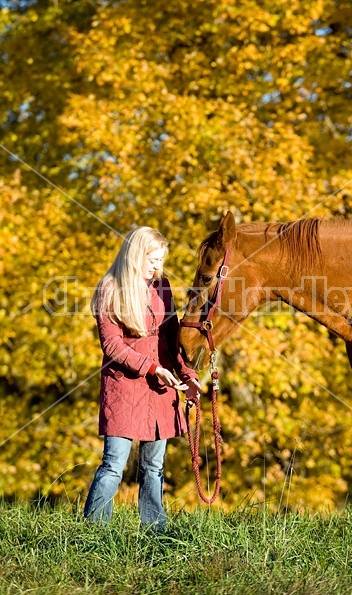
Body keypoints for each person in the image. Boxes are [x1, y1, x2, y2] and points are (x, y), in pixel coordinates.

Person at [84, 226, 201, 532]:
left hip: (160, 390)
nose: (156, 266)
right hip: (125, 388)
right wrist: (151, 368)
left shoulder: (162, 286)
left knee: (154, 466)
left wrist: (187, 374)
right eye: (152, 259)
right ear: (136, 255)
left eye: (160, 260)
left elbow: (172, 335)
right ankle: (93, 532)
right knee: (113, 466)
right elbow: (112, 346)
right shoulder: (109, 289)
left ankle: (155, 531)